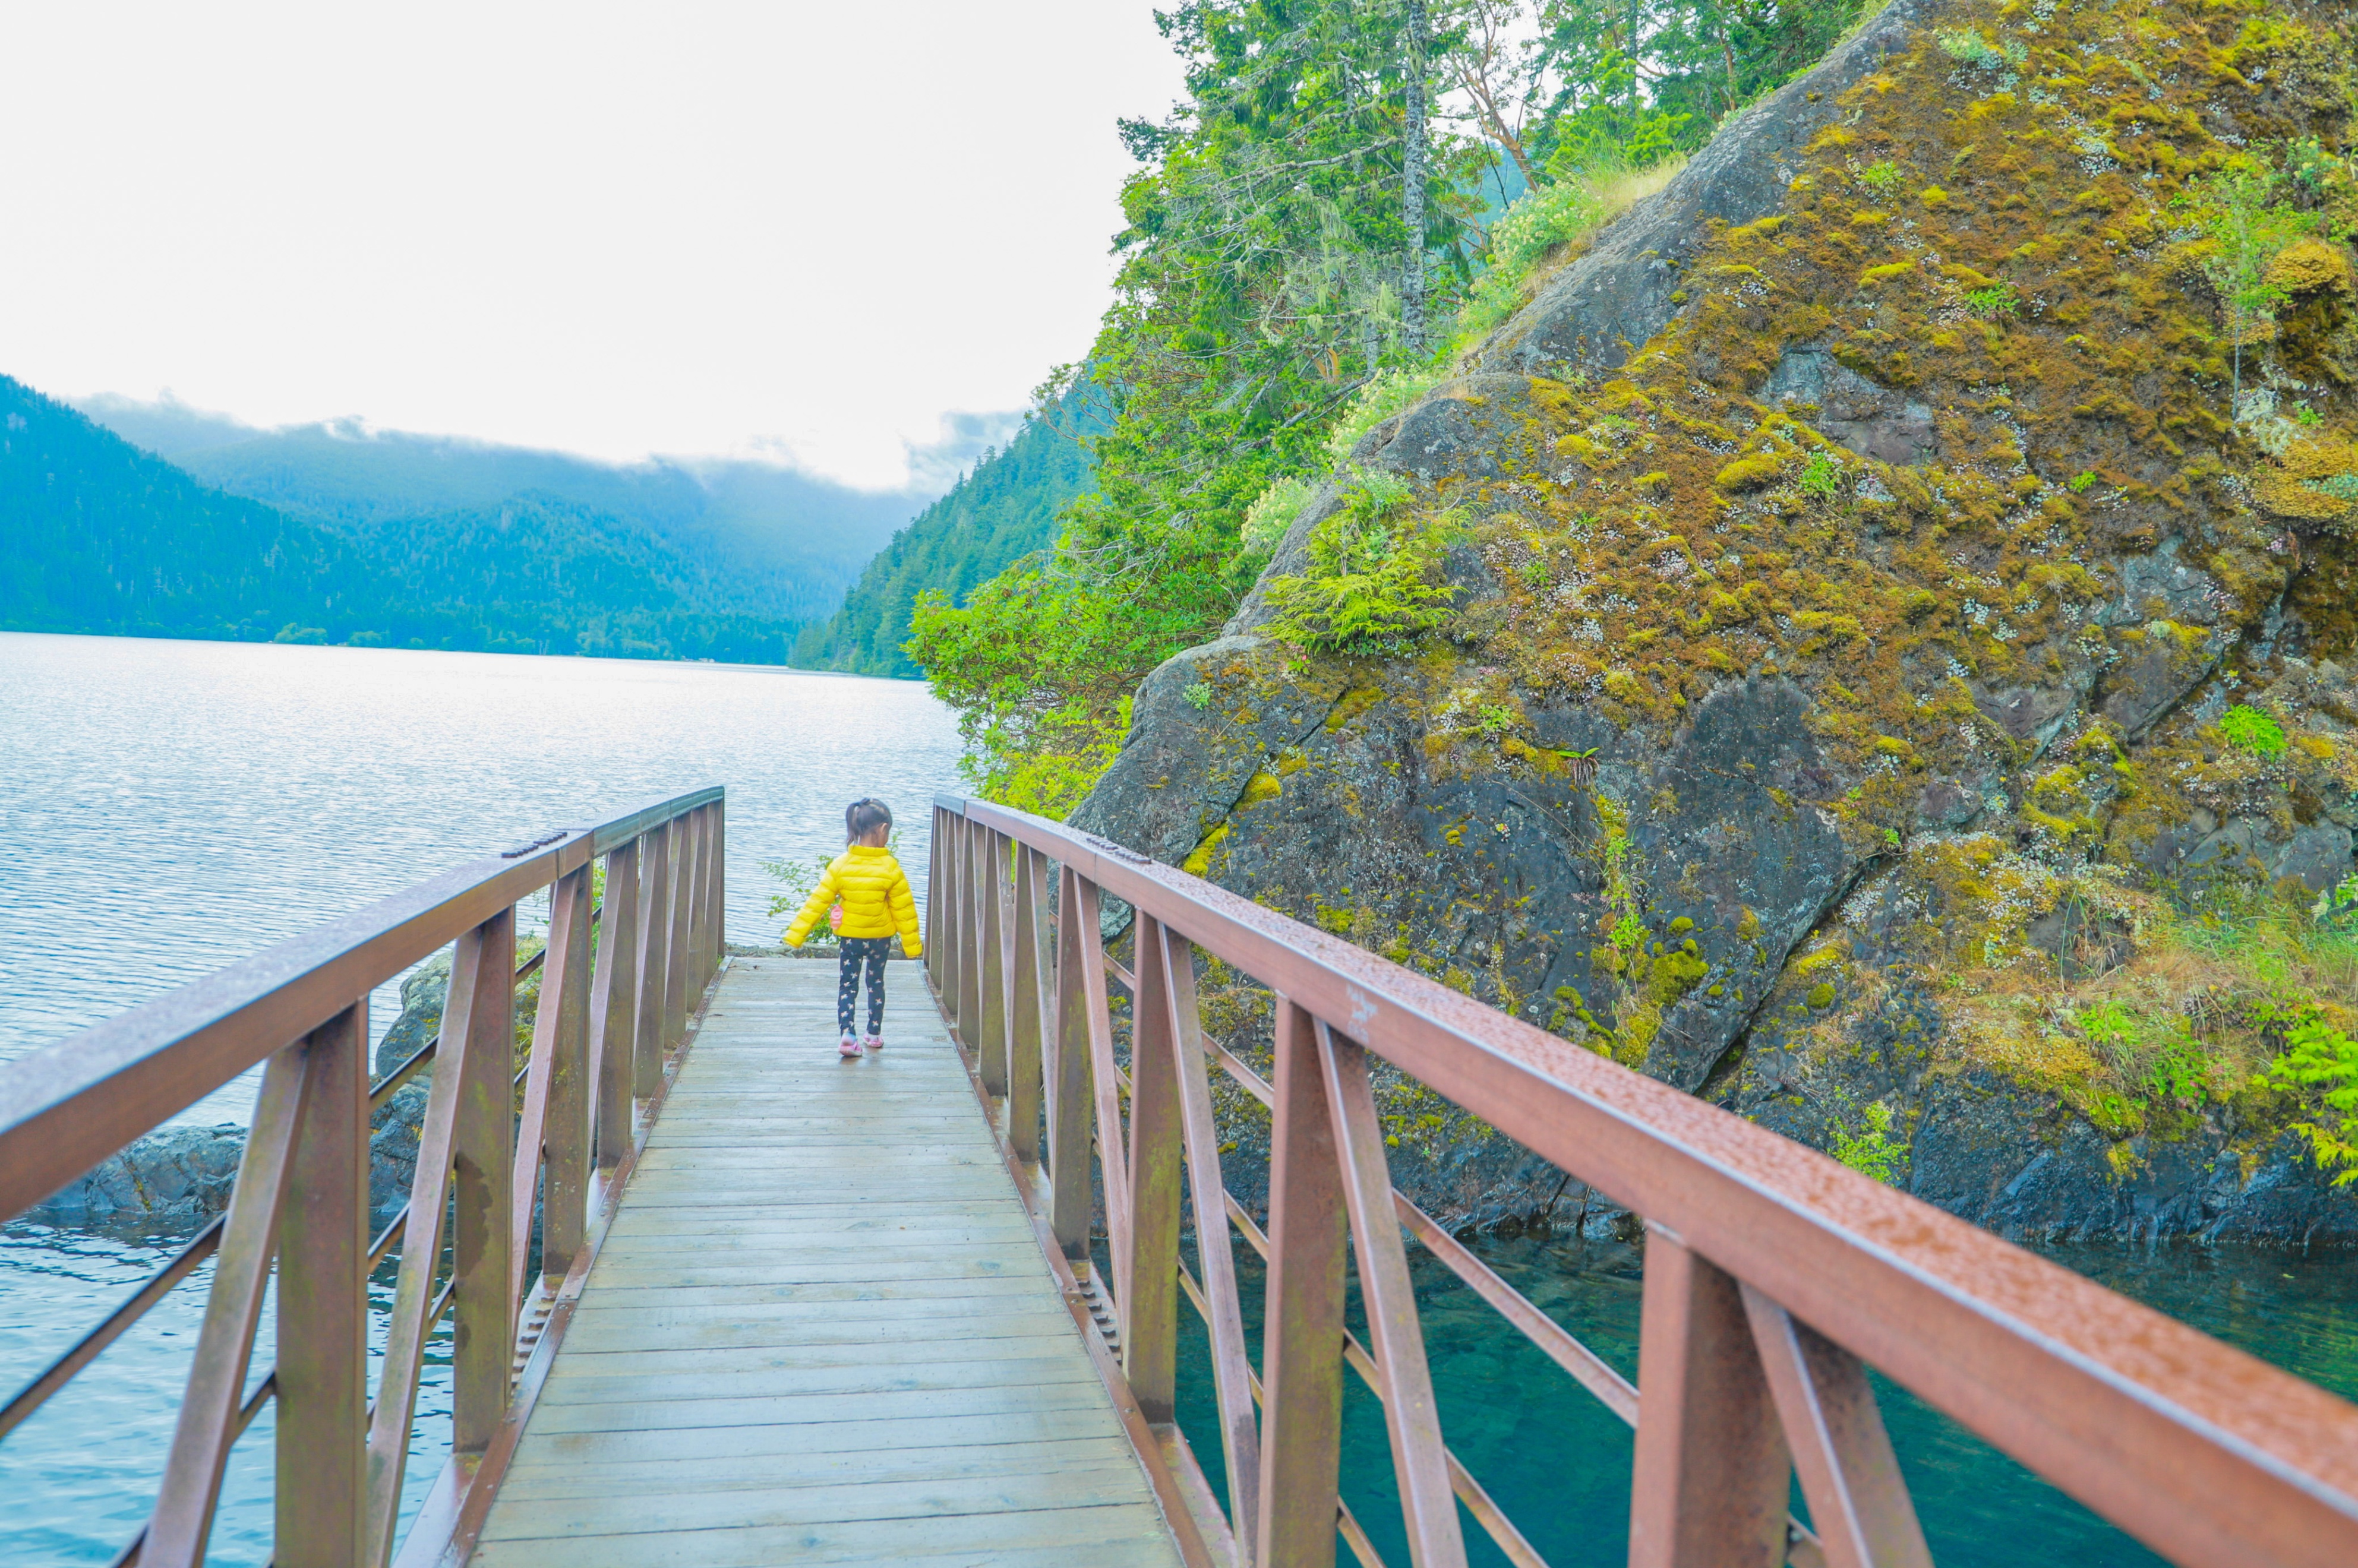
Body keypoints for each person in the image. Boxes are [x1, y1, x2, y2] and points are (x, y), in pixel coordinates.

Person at [783, 798, 922, 1057]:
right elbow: (904, 909)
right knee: (875, 983)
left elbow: (818, 901)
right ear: (882, 830)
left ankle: (848, 1035)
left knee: (848, 985)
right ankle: (874, 1033)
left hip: (850, 938)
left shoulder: (840, 866)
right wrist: (912, 947)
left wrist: (796, 935)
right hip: (880, 939)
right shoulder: (891, 867)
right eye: (888, 832)